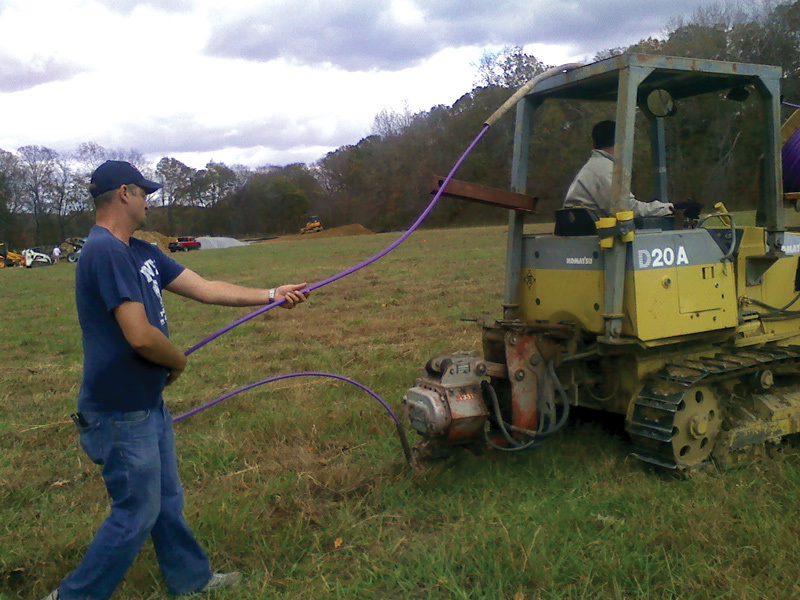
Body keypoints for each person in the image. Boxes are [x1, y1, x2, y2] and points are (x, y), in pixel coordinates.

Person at [42, 160, 309, 600]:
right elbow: (140, 335)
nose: (148, 202)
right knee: (136, 513)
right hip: (119, 410)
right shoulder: (105, 251)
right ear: (124, 193)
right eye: (143, 193)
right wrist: (177, 361)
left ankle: (191, 581)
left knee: (166, 501)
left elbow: (205, 287)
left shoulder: (140, 251)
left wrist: (270, 295)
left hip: (146, 403)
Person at [563, 120, 674, 219]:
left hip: (586, 230)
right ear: (621, 142)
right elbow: (626, 209)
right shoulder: (604, 169)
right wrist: (665, 208)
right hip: (595, 233)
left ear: (593, 143)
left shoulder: (593, 166)